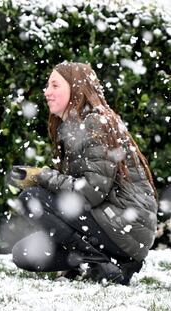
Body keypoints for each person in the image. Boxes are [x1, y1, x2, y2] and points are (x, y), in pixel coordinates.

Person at [9, 62, 158, 285]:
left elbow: (91, 192)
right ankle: (106, 265)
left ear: (76, 88)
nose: (47, 92)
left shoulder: (95, 123)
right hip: (110, 225)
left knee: (32, 198)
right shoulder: (74, 127)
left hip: (126, 228)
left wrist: (42, 176)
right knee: (24, 253)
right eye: (47, 85)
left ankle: (98, 263)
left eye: (55, 85)